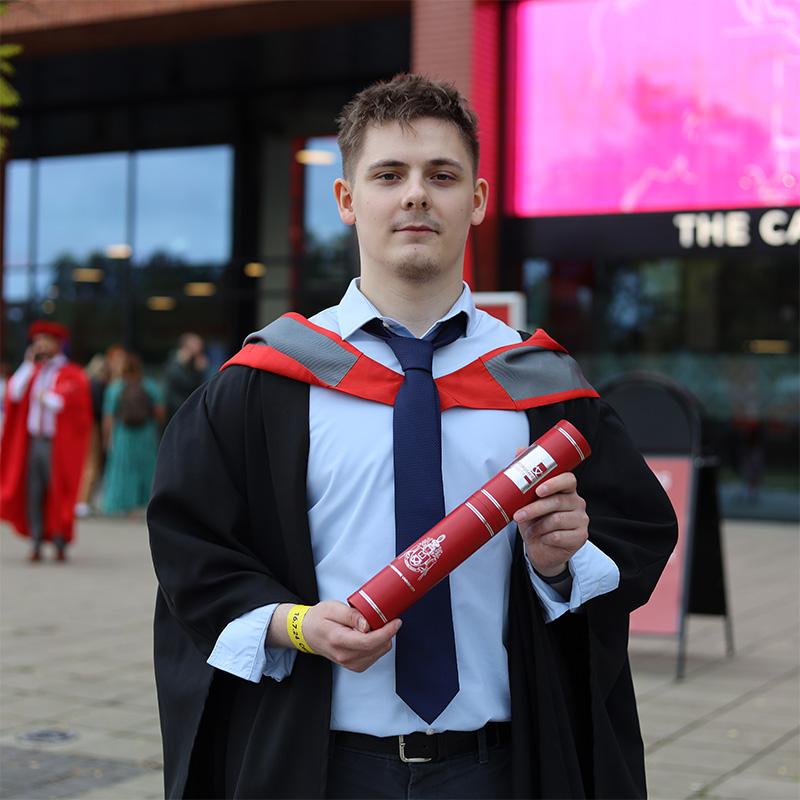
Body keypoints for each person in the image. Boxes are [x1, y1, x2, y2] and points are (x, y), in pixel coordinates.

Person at [148, 74, 678, 799]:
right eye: (389, 174)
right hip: (318, 766)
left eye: (442, 175)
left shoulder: (544, 387)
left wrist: (562, 562)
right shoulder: (265, 385)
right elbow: (192, 547)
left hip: (501, 768)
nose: (416, 195)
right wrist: (294, 625)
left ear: (478, 200)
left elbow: (636, 536)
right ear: (346, 200)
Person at [0, 320, 93, 561]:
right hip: (32, 442)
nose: (40, 344)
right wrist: (28, 364)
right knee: (34, 491)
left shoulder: (72, 373)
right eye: (37, 340)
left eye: (45, 340)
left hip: (58, 444)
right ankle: (37, 540)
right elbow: (14, 392)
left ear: (57, 343)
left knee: (58, 490)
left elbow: (75, 406)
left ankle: (60, 538)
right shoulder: (33, 372)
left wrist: (51, 398)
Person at [101, 352, 164, 516]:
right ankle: (145, 502)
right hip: (145, 432)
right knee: (146, 468)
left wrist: (106, 439)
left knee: (122, 470)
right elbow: (160, 412)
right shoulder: (150, 385)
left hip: (124, 434)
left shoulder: (115, 388)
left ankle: (122, 504)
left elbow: (108, 416)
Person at [162, 332, 208, 425]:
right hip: (177, 412)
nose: (200, 348)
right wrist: (200, 371)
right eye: (198, 344)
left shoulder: (190, 364)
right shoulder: (175, 363)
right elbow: (190, 385)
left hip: (186, 410)